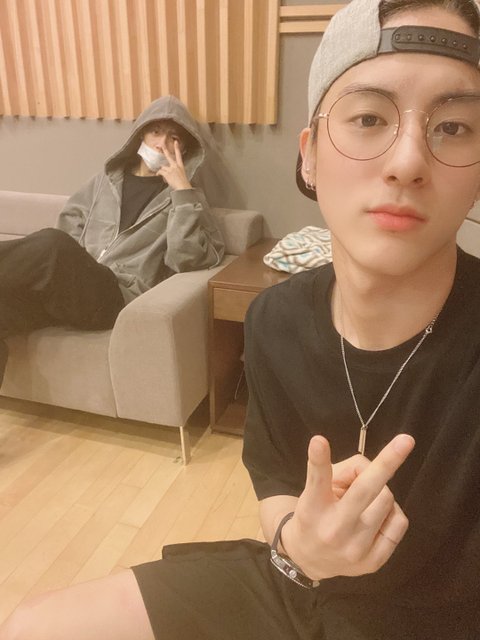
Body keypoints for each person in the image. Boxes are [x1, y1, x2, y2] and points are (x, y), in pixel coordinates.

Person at [1, 0, 480, 638]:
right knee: (36, 624)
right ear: (310, 157)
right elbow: (276, 478)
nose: (408, 161)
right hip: (299, 585)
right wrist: (299, 541)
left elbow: (190, 255)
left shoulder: (182, 195)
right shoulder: (274, 318)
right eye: (369, 118)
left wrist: (179, 187)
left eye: (453, 127)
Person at [0, 95, 225, 383]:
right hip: (70, 291)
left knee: (52, 244)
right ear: (141, 134)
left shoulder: (187, 200)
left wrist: (182, 192)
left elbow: (188, 258)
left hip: (116, 296)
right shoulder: (104, 182)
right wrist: (69, 271)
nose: (162, 144)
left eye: (174, 138)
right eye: (155, 132)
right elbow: (69, 224)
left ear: (184, 148)